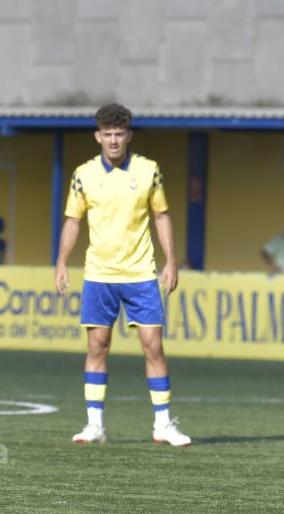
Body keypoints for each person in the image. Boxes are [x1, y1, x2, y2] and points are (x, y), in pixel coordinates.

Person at [54, 103, 191, 447]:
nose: (114, 141)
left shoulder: (148, 171)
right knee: (97, 346)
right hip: (99, 274)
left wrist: (171, 261)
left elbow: (162, 216)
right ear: (97, 136)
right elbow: (73, 220)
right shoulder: (83, 174)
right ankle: (94, 425)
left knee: (153, 347)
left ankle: (163, 425)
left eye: (119, 134)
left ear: (129, 135)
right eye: (108, 135)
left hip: (141, 274)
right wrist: (60, 262)